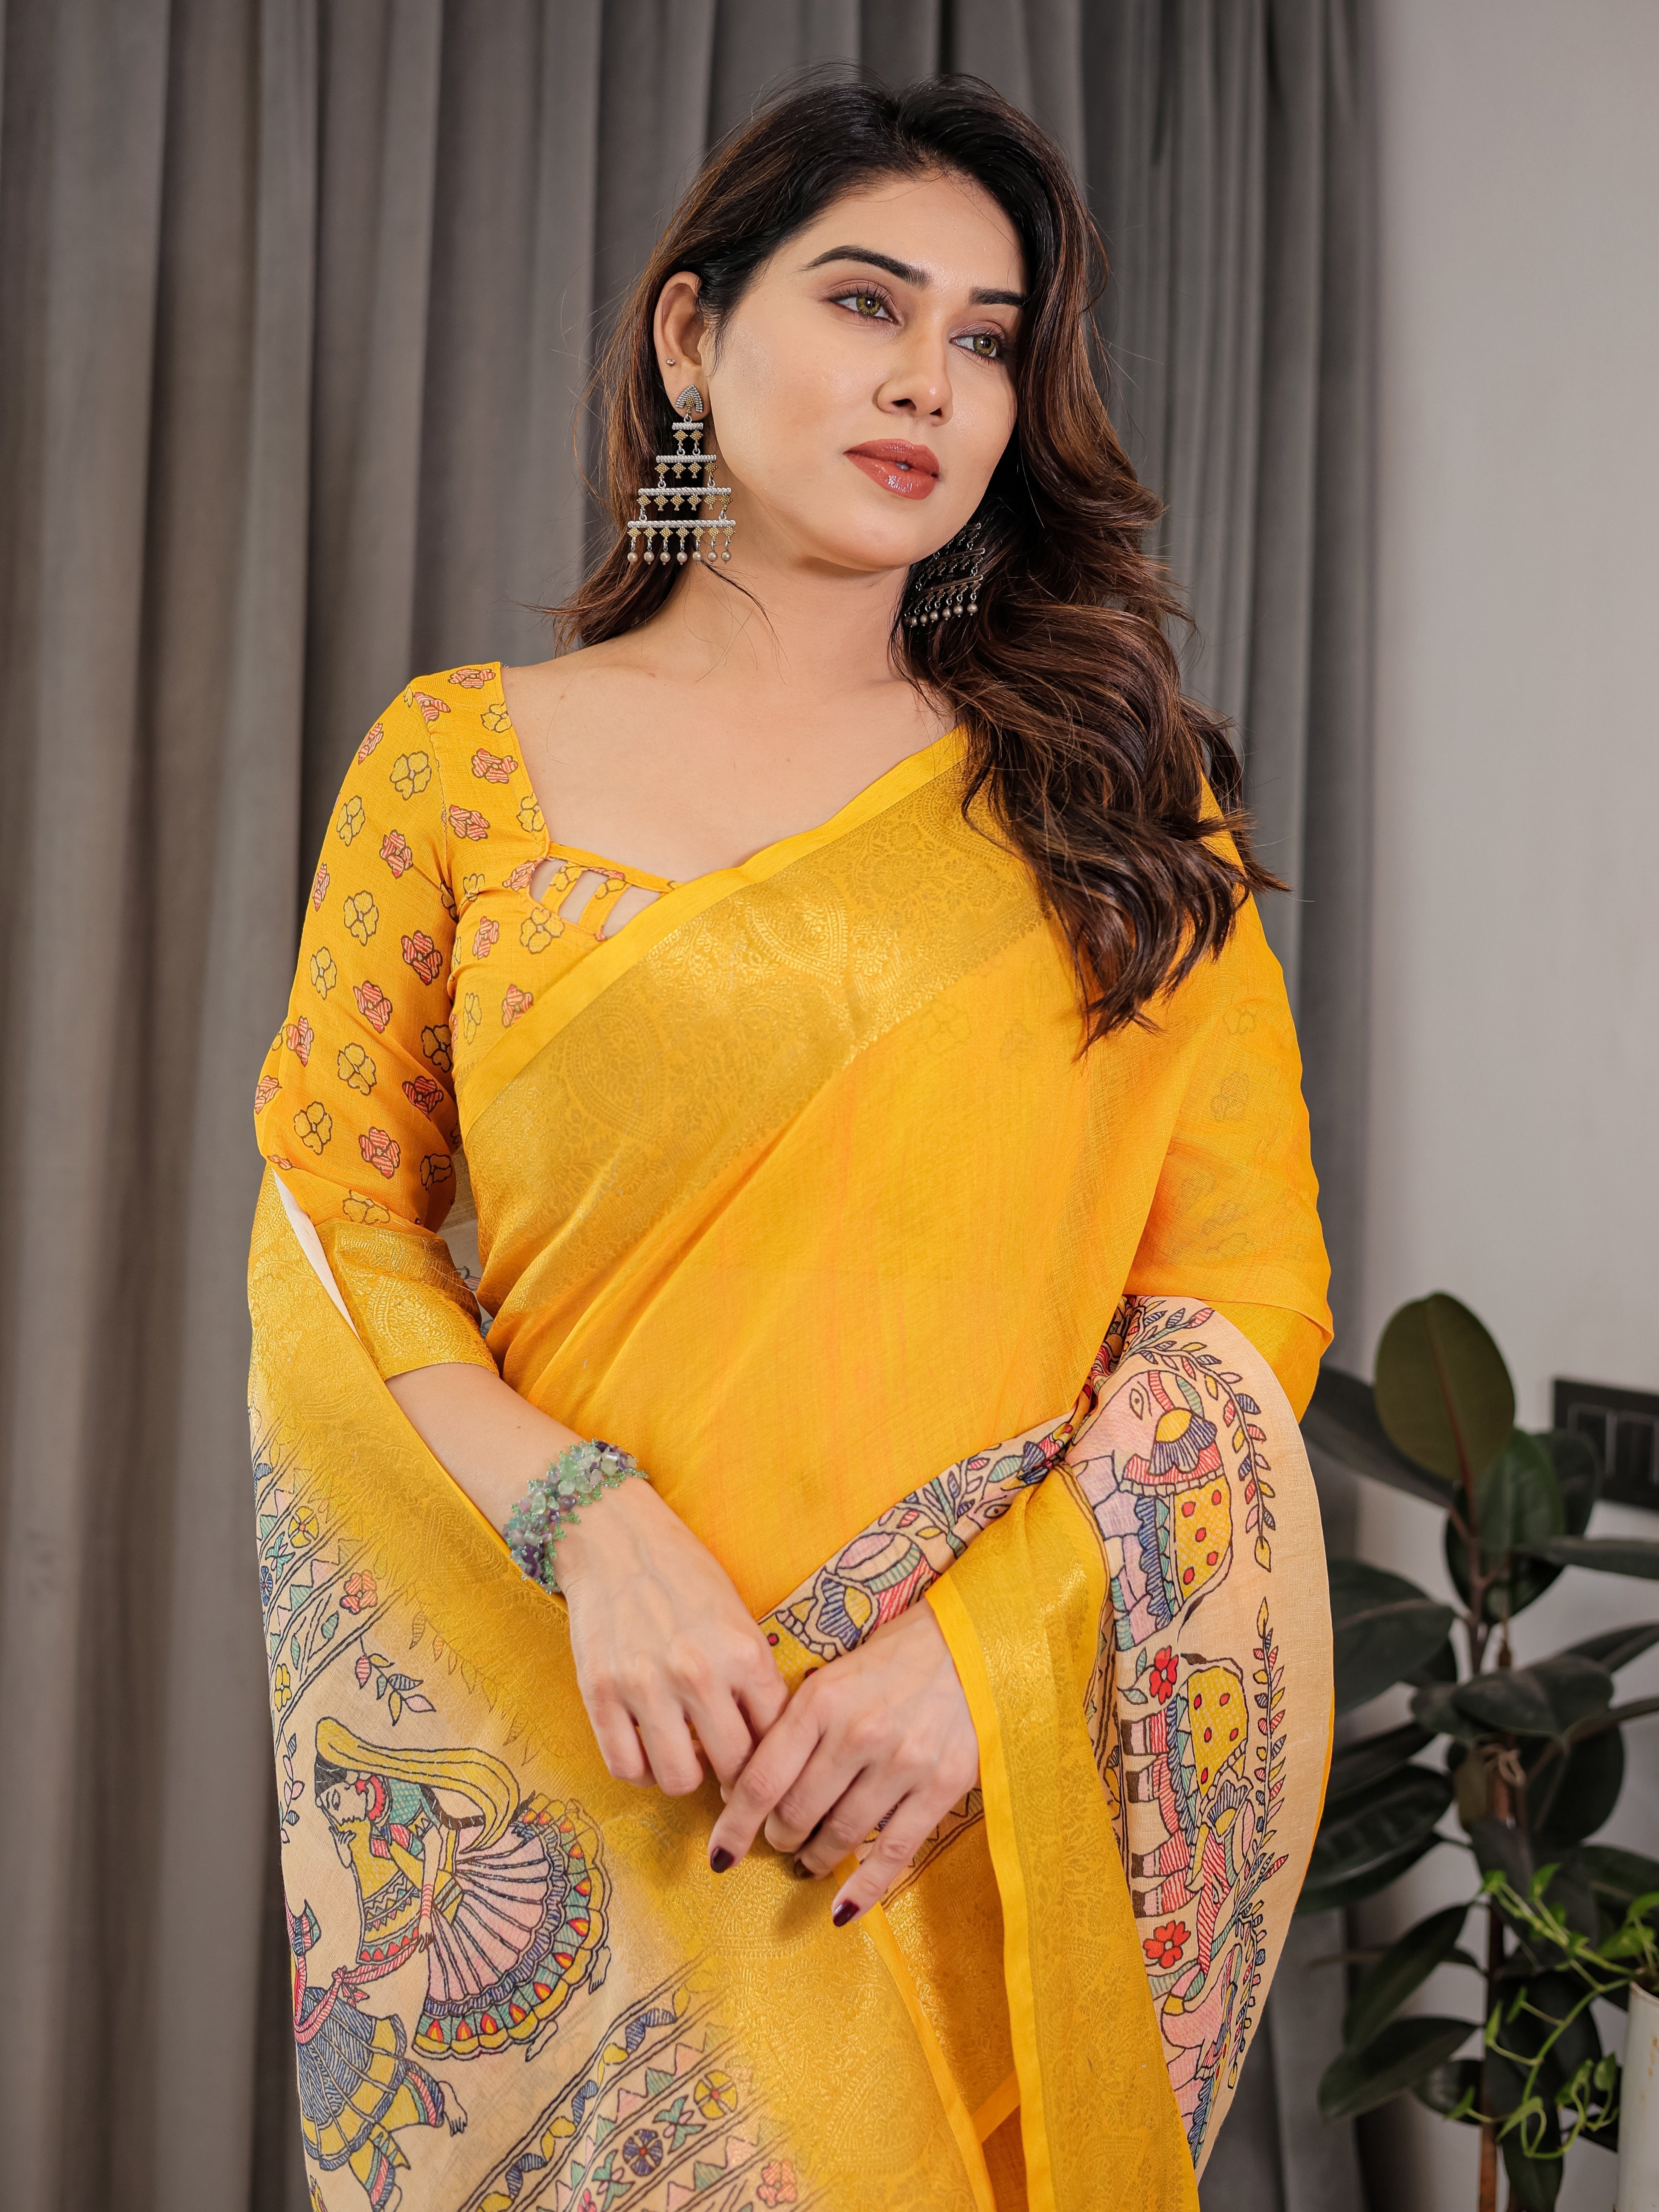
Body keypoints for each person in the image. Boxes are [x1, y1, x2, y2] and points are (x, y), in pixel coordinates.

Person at [249, 73, 1333, 2212]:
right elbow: (332, 1224)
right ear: (692, 334)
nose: (930, 378)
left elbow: (1239, 1296)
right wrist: (585, 1523)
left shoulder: (1115, 803)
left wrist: (975, 1662)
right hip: (588, 1743)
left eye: (988, 337)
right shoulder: (460, 766)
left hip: (944, 1798)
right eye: (865, 302)